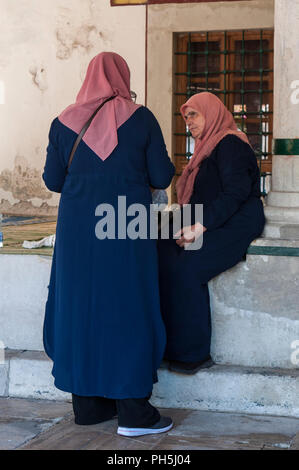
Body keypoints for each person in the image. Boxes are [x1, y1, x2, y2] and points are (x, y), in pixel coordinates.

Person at [42, 52, 175, 437]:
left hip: (78, 230)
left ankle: (88, 406)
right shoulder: (142, 117)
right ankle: (134, 413)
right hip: (124, 226)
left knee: (80, 306)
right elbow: (162, 175)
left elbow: (53, 180)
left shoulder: (64, 121)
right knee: (127, 305)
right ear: (122, 76)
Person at [157, 92, 265, 375]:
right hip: (209, 219)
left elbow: (236, 193)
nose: (188, 122)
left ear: (211, 113)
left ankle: (192, 353)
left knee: (188, 267)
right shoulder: (205, 148)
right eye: (185, 117)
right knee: (159, 251)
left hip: (236, 221)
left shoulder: (230, 143)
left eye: (193, 114)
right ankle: (163, 345)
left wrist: (199, 227)